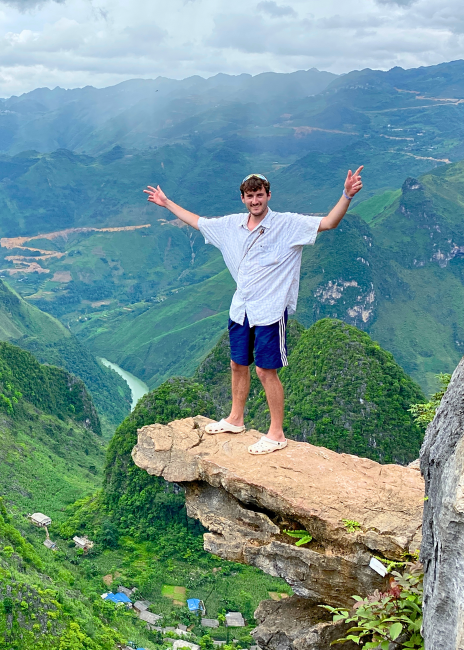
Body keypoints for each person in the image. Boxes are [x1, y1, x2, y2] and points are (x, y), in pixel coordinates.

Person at [143, 168, 364, 454]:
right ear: (243, 198)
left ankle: (276, 433)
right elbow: (198, 222)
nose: (255, 200)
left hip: (270, 311)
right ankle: (235, 419)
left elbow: (329, 223)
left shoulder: (287, 225)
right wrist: (166, 202)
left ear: (268, 196)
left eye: (260, 195)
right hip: (242, 308)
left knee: (265, 371)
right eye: (250, 196)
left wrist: (346, 194)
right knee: (237, 364)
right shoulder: (230, 227)